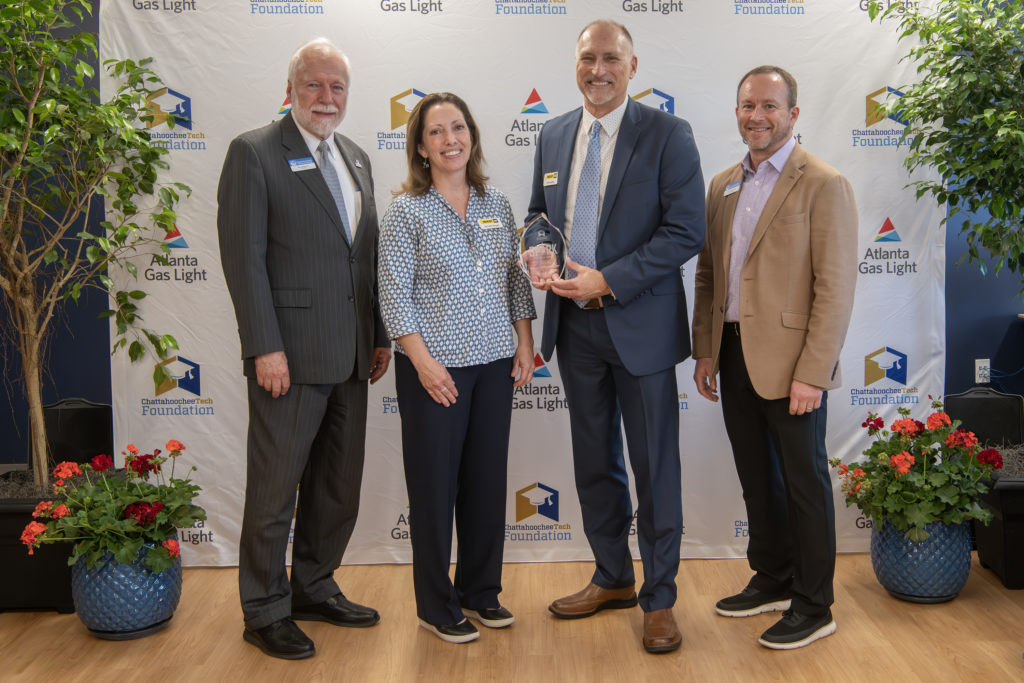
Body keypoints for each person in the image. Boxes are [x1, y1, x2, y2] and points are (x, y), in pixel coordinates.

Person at [527, 20, 705, 654]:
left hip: (642, 326)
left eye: (610, 58)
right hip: (573, 328)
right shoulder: (551, 133)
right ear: (575, 64)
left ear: (632, 67)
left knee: (655, 467)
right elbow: (538, 218)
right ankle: (612, 576)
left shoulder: (668, 133)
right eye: (587, 58)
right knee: (593, 461)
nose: (597, 69)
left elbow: (686, 231)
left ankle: (660, 599)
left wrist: (608, 279)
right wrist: (539, 253)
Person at [217, 37, 391, 660]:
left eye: (337, 87)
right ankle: (263, 609)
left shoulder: (357, 158)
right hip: (286, 358)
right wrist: (265, 346)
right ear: (291, 88)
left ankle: (313, 586)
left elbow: (362, 260)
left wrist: (377, 335)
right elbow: (244, 259)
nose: (326, 97)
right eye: (314, 84)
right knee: (275, 489)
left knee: (337, 487)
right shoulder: (254, 152)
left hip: (349, 356)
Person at [691, 65, 858, 650]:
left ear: (792, 113)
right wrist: (705, 351)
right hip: (732, 354)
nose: (756, 115)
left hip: (793, 366)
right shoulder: (722, 185)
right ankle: (773, 577)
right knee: (756, 478)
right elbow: (709, 275)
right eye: (746, 105)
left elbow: (835, 289)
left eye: (768, 105)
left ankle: (815, 604)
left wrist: (813, 371)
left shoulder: (824, 183)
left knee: (804, 483)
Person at [377, 92, 537, 644]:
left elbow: (515, 281)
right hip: (434, 372)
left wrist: (524, 341)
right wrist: (422, 363)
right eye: (437, 132)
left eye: (459, 127)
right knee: (433, 488)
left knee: (487, 484)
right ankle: (435, 604)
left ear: (472, 136)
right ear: (420, 147)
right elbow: (394, 294)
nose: (451, 140)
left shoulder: (498, 203)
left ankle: (480, 592)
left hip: (495, 363)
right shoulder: (405, 211)